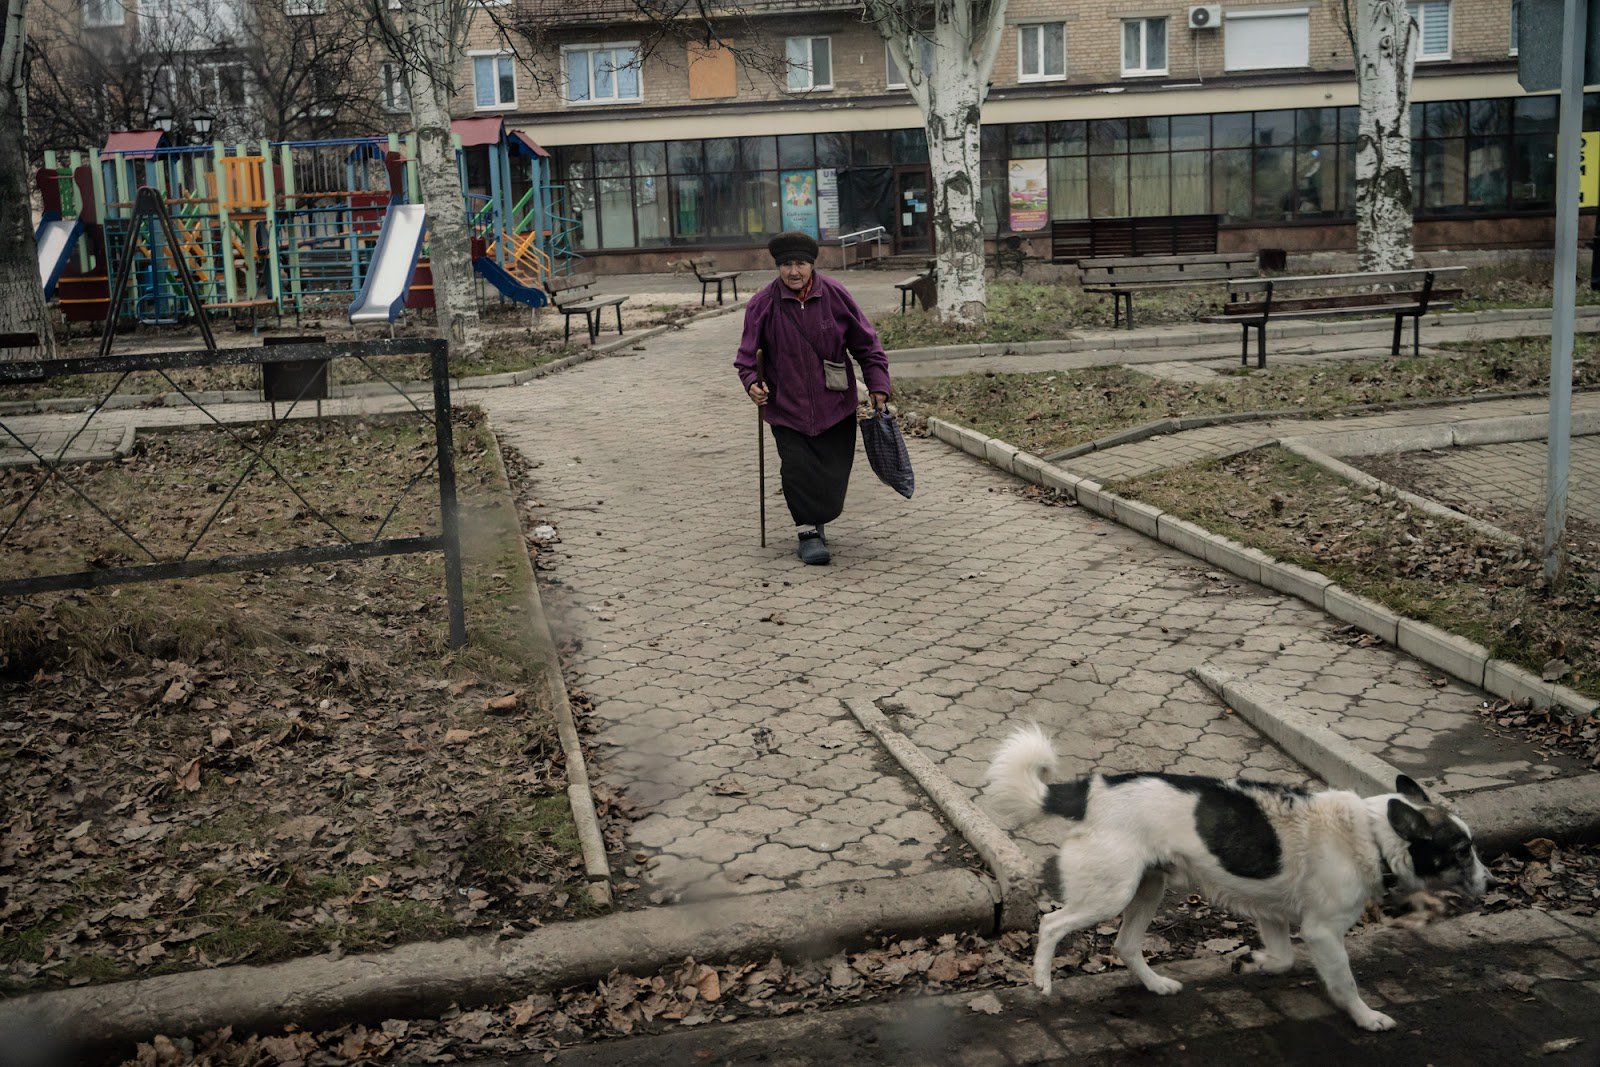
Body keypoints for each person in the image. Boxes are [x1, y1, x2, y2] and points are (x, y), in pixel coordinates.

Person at [734, 230, 891, 566]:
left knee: (833, 476)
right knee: (797, 470)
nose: (794, 271)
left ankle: (819, 517)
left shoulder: (835, 295)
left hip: (835, 406)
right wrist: (752, 385)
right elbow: (746, 358)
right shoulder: (762, 304)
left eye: (801, 264)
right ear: (778, 267)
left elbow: (867, 345)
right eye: (787, 264)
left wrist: (878, 386)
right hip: (786, 407)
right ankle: (807, 532)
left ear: (812, 265)